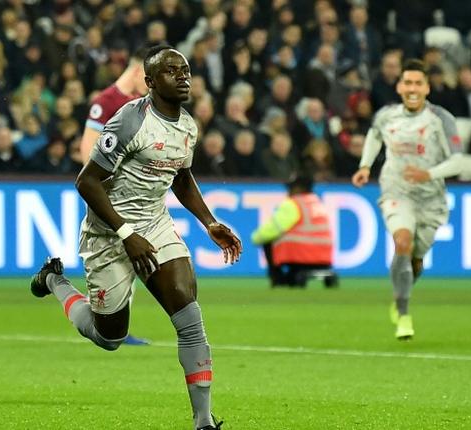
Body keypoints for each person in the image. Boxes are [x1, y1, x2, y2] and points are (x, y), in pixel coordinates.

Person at [29, 45, 242, 430]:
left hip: (154, 224)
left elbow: (180, 176)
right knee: (109, 336)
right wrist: (126, 233)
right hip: (109, 232)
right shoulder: (129, 121)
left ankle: (203, 422)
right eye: (171, 71)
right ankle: (53, 280)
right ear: (149, 82)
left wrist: (209, 222)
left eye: (186, 70)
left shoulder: (189, 126)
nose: (182, 76)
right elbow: (87, 181)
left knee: (188, 311)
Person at [351, 59, 463, 340]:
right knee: (402, 241)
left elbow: (458, 161)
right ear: (400, 86)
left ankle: (401, 294)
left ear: (427, 87)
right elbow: (374, 136)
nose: (412, 89)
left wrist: (429, 173)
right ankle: (403, 314)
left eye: (418, 83)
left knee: (415, 260)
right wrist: (365, 166)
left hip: (430, 198)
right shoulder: (386, 115)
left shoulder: (441, 118)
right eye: (407, 83)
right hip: (396, 190)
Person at [79, 47, 151, 345]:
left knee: (131, 257)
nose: (150, 88)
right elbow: (87, 147)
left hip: (131, 193)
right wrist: (99, 186)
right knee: (111, 256)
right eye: (148, 81)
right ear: (136, 72)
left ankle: (116, 324)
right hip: (108, 194)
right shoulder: (106, 102)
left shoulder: (136, 102)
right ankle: (103, 319)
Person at [251, 173, 335, 288]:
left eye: (290, 187)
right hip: (325, 257)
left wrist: (255, 238)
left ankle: (278, 279)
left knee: (268, 239)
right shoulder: (317, 203)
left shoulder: (294, 204)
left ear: (299, 188)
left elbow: (273, 229)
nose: (288, 191)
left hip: (302, 256)